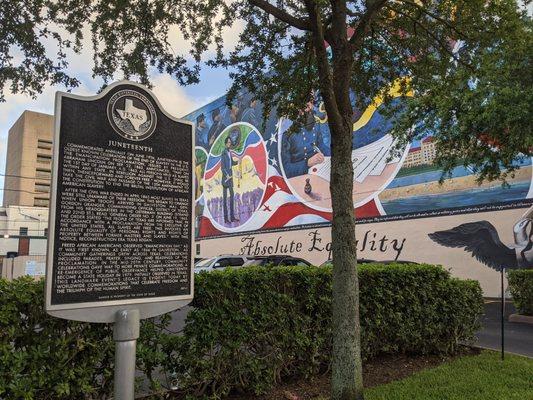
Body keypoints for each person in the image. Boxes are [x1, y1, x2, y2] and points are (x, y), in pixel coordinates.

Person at [281, 109, 330, 178]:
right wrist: (307, 163)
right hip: (299, 176)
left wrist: (336, 155)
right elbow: (285, 170)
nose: (308, 108)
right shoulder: (287, 134)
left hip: (317, 170)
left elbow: (321, 147)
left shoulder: (315, 124)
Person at [221, 136, 239, 223]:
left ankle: (232, 217)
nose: (229, 143)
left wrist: (237, 161)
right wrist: (227, 175)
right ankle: (226, 219)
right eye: (228, 142)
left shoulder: (229, 152)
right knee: (225, 199)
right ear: (225, 144)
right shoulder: (223, 153)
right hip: (225, 179)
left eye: (230, 142)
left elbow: (231, 163)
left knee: (232, 196)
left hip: (230, 178)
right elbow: (222, 167)